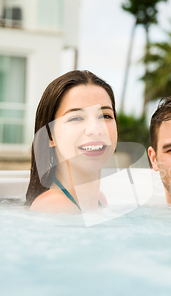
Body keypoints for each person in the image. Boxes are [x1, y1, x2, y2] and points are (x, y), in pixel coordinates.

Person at [25, 70, 117, 214]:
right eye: (76, 118)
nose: (95, 129)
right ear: (50, 135)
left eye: (105, 115)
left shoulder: (99, 200)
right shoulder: (53, 207)